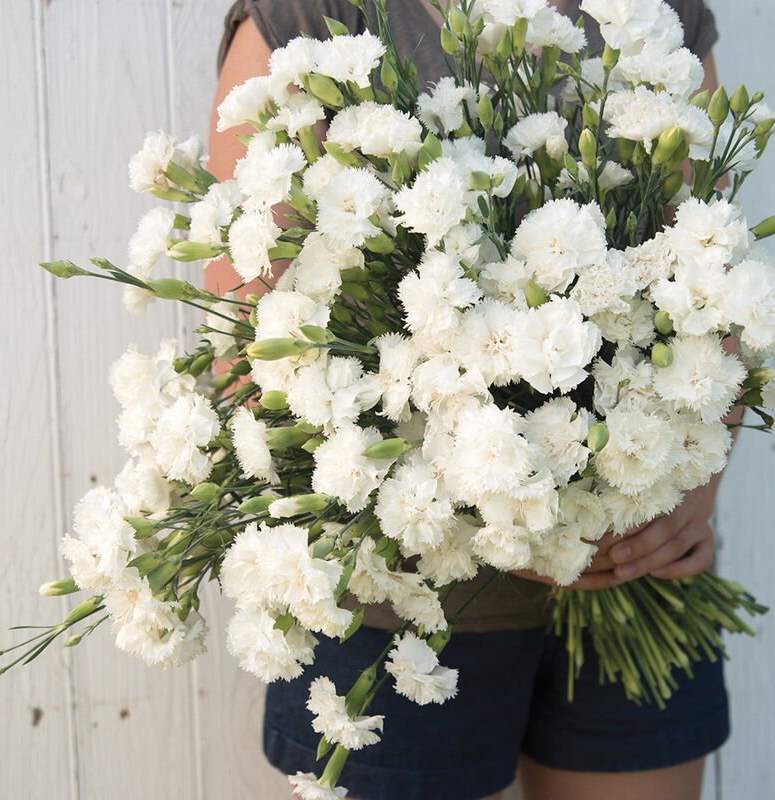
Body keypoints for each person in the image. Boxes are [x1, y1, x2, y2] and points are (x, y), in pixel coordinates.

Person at [208, 3, 734, 798]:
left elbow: (711, 277)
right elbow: (250, 360)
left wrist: (694, 480)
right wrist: (498, 509)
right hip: (398, 603)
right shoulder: (305, 19)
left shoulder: (651, 12)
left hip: (633, 555)